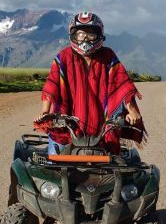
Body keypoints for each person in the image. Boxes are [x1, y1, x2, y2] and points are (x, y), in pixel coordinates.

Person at [35, 12, 145, 154]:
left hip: (101, 129)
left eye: (90, 34)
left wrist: (132, 112)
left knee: (114, 166)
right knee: (55, 162)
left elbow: (122, 84)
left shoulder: (108, 56)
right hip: (67, 127)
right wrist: (45, 113)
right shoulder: (64, 57)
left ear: (99, 35)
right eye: (81, 34)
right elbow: (52, 85)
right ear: (73, 35)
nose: (85, 39)